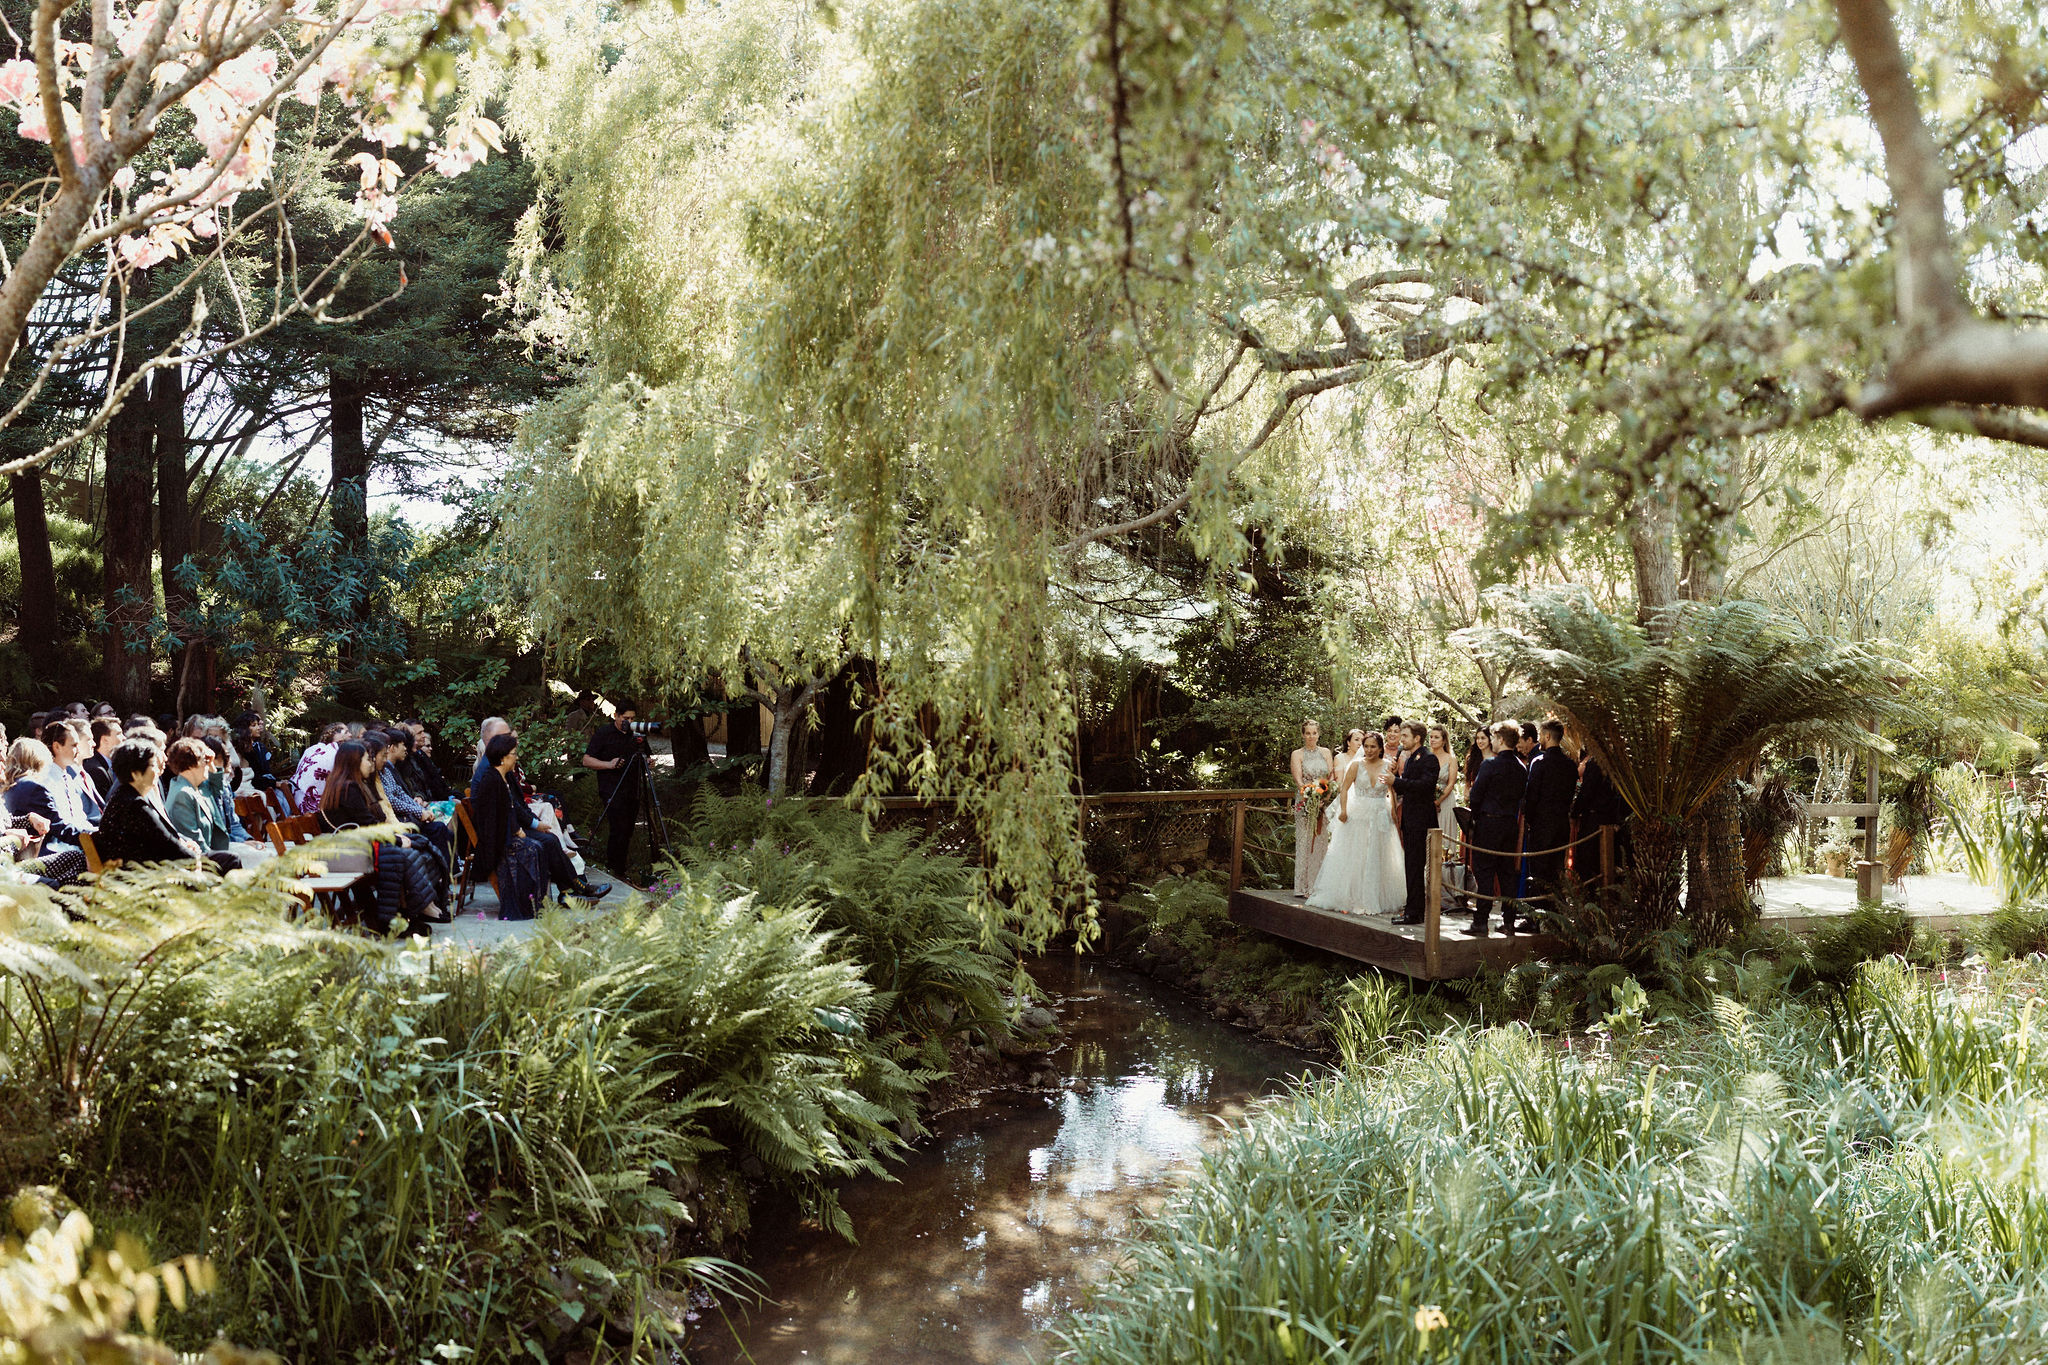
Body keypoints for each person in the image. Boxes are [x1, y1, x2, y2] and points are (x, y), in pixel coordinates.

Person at [318, 740, 446, 933]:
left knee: (418, 845)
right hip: (355, 851)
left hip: (357, 845)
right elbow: (368, 825)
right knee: (404, 854)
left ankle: (413, 910)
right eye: (366, 759)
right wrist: (395, 839)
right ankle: (397, 918)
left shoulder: (346, 784)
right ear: (354, 762)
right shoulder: (348, 788)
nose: (371, 763)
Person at [1307, 731, 1405, 916]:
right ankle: (1352, 896)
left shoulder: (1387, 766)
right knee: (1357, 854)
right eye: (1366, 746)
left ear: (1380, 748)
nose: (1368, 750)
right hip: (1358, 812)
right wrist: (1343, 811)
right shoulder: (1356, 765)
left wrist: (1393, 811)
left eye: (1372, 747)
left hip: (1379, 813)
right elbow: (1344, 789)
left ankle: (1375, 896)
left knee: (1378, 854)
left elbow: (1391, 790)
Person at [97, 739, 226, 872]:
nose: (158, 770)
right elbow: (175, 850)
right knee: (226, 863)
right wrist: (192, 852)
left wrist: (186, 845)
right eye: (153, 765)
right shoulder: (135, 806)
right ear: (135, 773)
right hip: (142, 880)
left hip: (140, 873)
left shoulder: (122, 798)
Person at [469, 732, 553, 919]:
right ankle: (526, 904)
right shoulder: (491, 780)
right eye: (514, 753)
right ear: (502, 756)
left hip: (505, 836)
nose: (516, 757)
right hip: (496, 843)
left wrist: (518, 829)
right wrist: (515, 831)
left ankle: (538, 904)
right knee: (533, 849)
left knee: (539, 847)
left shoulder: (503, 778)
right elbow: (492, 819)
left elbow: (510, 810)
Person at [1465, 722, 1528, 937]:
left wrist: (1476, 814)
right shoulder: (1521, 767)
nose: (1491, 741)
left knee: (1484, 872)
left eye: (1493, 737)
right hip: (1510, 823)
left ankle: (1480, 922)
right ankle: (1508, 921)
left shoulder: (1490, 765)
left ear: (1500, 740)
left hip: (1489, 823)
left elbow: (1475, 795)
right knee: (1507, 873)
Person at [1521, 719, 1578, 916]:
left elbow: (1532, 795)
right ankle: (1555, 913)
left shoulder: (1539, 763)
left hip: (1542, 823)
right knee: (1556, 870)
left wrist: (1530, 818)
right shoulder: (1570, 765)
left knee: (1538, 871)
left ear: (1546, 736)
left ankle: (1536, 916)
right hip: (1561, 823)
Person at [581, 701, 643, 876]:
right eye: (625, 718)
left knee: (628, 830)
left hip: (633, 789)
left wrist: (649, 762)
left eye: (632, 718)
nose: (629, 722)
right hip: (611, 788)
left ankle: (620, 867)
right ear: (616, 715)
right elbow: (586, 760)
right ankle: (615, 868)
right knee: (618, 828)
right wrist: (609, 764)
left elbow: (645, 754)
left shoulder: (636, 733)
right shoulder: (604, 734)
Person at [1388, 722, 1440, 926]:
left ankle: (1415, 913)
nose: (1401, 739)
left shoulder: (1429, 759)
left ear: (1417, 738)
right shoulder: (1408, 758)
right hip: (1409, 818)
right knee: (1411, 866)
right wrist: (1397, 777)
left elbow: (1425, 786)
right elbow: (1406, 787)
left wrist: (1396, 781)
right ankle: (1412, 910)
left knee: (1416, 865)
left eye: (1405, 736)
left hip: (1421, 819)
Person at [4, 738, 93, 851]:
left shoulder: (8, 787)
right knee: (82, 857)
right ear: (40, 759)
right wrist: (94, 837)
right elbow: (59, 827)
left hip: (16, 852)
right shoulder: (34, 788)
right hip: (39, 853)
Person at [164, 739, 241, 868]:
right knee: (235, 860)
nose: (210, 766)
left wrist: (209, 761)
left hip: (214, 851)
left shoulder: (199, 788)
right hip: (197, 862)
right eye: (205, 762)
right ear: (191, 765)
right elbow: (195, 842)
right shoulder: (182, 794)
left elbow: (217, 787)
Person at [1289, 720, 1334, 897]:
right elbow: (1298, 779)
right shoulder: (1297, 754)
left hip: (1323, 800)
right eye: (1307, 733)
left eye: (1314, 733)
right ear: (1302, 735)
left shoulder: (1325, 752)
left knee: (1321, 842)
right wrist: (1309, 796)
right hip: (1304, 801)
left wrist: (1323, 796)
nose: (1311, 736)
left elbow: (1330, 776)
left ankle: (1318, 885)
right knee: (1305, 841)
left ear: (1318, 734)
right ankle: (1302, 887)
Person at [293, 723, 348, 815]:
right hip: (316, 811)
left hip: (297, 798)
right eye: (347, 732)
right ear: (336, 736)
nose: (350, 735)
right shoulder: (334, 753)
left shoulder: (312, 749)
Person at [82, 717, 120, 804]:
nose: (124, 738)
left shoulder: (111, 764)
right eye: (118, 734)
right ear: (105, 740)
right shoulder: (96, 770)